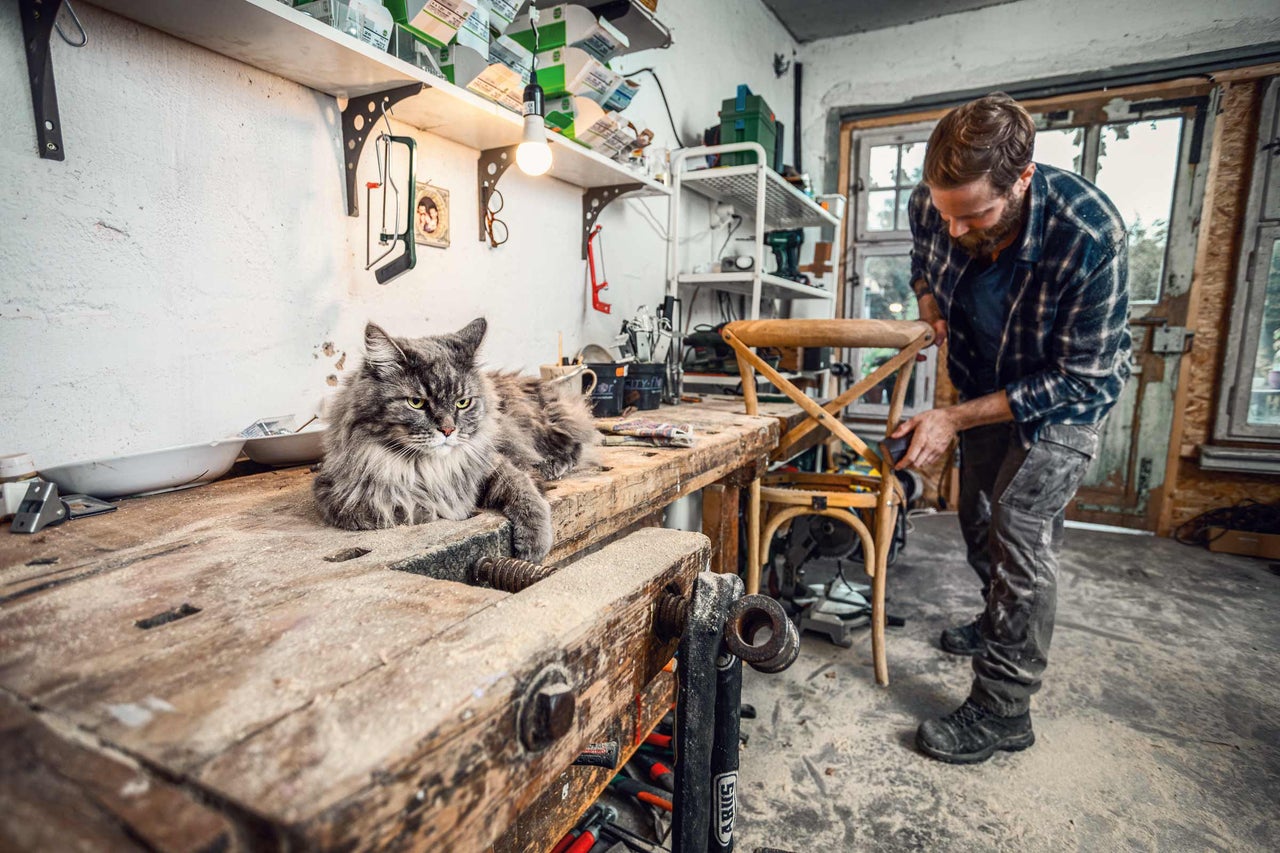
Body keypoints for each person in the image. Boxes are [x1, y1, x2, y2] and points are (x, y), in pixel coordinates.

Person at [891, 93, 1131, 764]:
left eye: (976, 216)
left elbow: (1080, 377)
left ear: (1023, 178)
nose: (956, 229)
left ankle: (1003, 707)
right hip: (983, 378)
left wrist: (950, 416)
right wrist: (929, 302)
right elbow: (922, 259)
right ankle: (996, 620)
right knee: (976, 511)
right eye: (947, 214)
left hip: (1064, 399)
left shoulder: (1089, 233)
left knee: (1019, 525)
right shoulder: (933, 204)